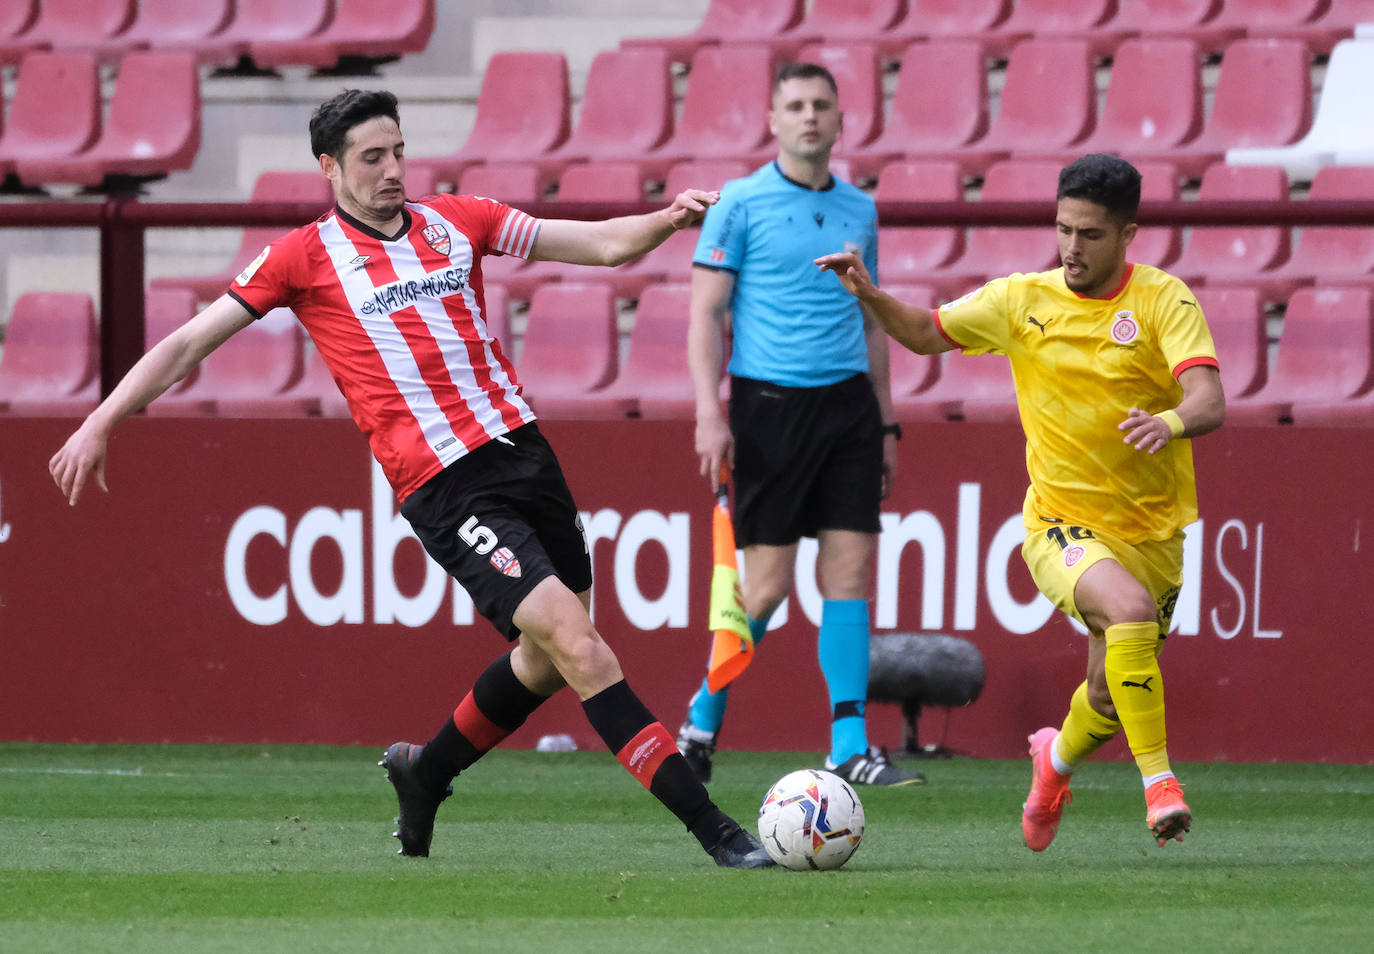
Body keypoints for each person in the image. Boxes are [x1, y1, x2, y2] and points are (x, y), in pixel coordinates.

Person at [49, 89, 774, 869]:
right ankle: (718, 833)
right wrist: (102, 419)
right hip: (446, 485)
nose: (394, 169)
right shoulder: (304, 257)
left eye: (398, 151)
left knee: (544, 659)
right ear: (328, 167)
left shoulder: (459, 220)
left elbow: (598, 245)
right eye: (372, 157)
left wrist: (667, 220)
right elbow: (189, 344)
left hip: (524, 452)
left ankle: (425, 771)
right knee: (580, 645)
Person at [816, 153, 1226, 848]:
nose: (1071, 247)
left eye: (1091, 234)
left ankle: (1051, 764)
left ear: (1128, 234)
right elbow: (923, 332)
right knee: (1124, 612)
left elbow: (1210, 399)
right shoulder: (1021, 300)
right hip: (1060, 524)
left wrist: (1169, 422)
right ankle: (1161, 786)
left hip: (1154, 533)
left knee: (1104, 695)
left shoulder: (1164, 301)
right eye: (1064, 228)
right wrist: (869, 293)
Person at [675, 61, 923, 788]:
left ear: (841, 121)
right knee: (768, 589)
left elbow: (874, 320)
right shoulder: (740, 204)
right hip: (769, 410)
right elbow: (704, 314)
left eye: (822, 104)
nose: (810, 116)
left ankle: (849, 744)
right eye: (796, 105)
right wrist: (707, 413)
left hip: (847, 409)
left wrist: (884, 423)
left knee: (849, 576)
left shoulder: (860, 210)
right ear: (773, 120)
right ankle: (698, 723)